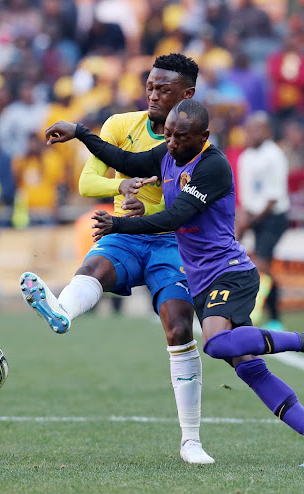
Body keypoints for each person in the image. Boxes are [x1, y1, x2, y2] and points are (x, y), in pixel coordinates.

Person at [44, 99, 304, 467]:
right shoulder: (168, 153)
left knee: (217, 343)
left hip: (230, 272)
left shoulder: (213, 167)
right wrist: (80, 133)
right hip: (204, 280)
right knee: (248, 367)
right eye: (169, 135)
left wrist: (119, 224)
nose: (171, 143)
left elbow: (176, 216)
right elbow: (125, 161)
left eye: (181, 137)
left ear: (203, 136)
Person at [20, 54, 214, 465]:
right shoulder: (120, 125)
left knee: (179, 327)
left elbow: (184, 205)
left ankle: (191, 441)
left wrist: (149, 209)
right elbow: (87, 181)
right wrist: (121, 184)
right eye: (149, 85)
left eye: (163, 89)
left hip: (169, 241)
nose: (153, 94)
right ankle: (62, 313)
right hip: (123, 233)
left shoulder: (197, 144)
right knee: (93, 269)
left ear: (187, 94)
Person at [235, 112, 290, 331]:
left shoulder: (274, 155)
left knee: (263, 266)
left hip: (273, 217)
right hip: (253, 216)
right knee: (252, 263)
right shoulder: (245, 157)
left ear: (267, 130)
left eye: (256, 129)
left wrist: (251, 221)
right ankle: (271, 315)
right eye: (248, 129)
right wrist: (243, 218)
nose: (251, 133)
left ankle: (261, 315)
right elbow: (246, 195)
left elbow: (273, 197)